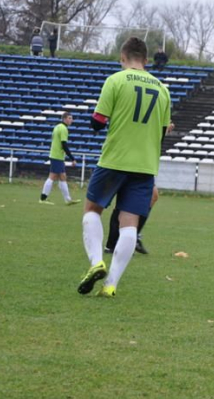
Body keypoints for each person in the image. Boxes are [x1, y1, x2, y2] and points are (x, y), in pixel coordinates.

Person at [78, 37, 171, 298]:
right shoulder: (163, 89)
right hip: (145, 165)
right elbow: (162, 133)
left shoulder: (116, 81)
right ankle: (111, 284)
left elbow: (97, 122)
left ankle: (96, 260)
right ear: (145, 59)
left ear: (123, 57)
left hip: (115, 159)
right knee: (129, 224)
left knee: (92, 209)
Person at [103, 121, 173, 255]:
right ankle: (114, 244)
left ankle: (128, 238)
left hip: (139, 161)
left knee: (151, 196)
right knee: (123, 203)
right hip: (130, 160)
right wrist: (162, 129)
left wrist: (163, 130)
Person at [39, 111, 80, 206]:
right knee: (52, 176)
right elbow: (64, 144)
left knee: (62, 177)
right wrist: (72, 158)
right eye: (70, 118)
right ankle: (43, 198)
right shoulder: (63, 129)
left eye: (71, 118)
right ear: (64, 119)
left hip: (56, 155)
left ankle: (68, 200)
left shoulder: (57, 127)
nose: (71, 120)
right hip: (57, 156)